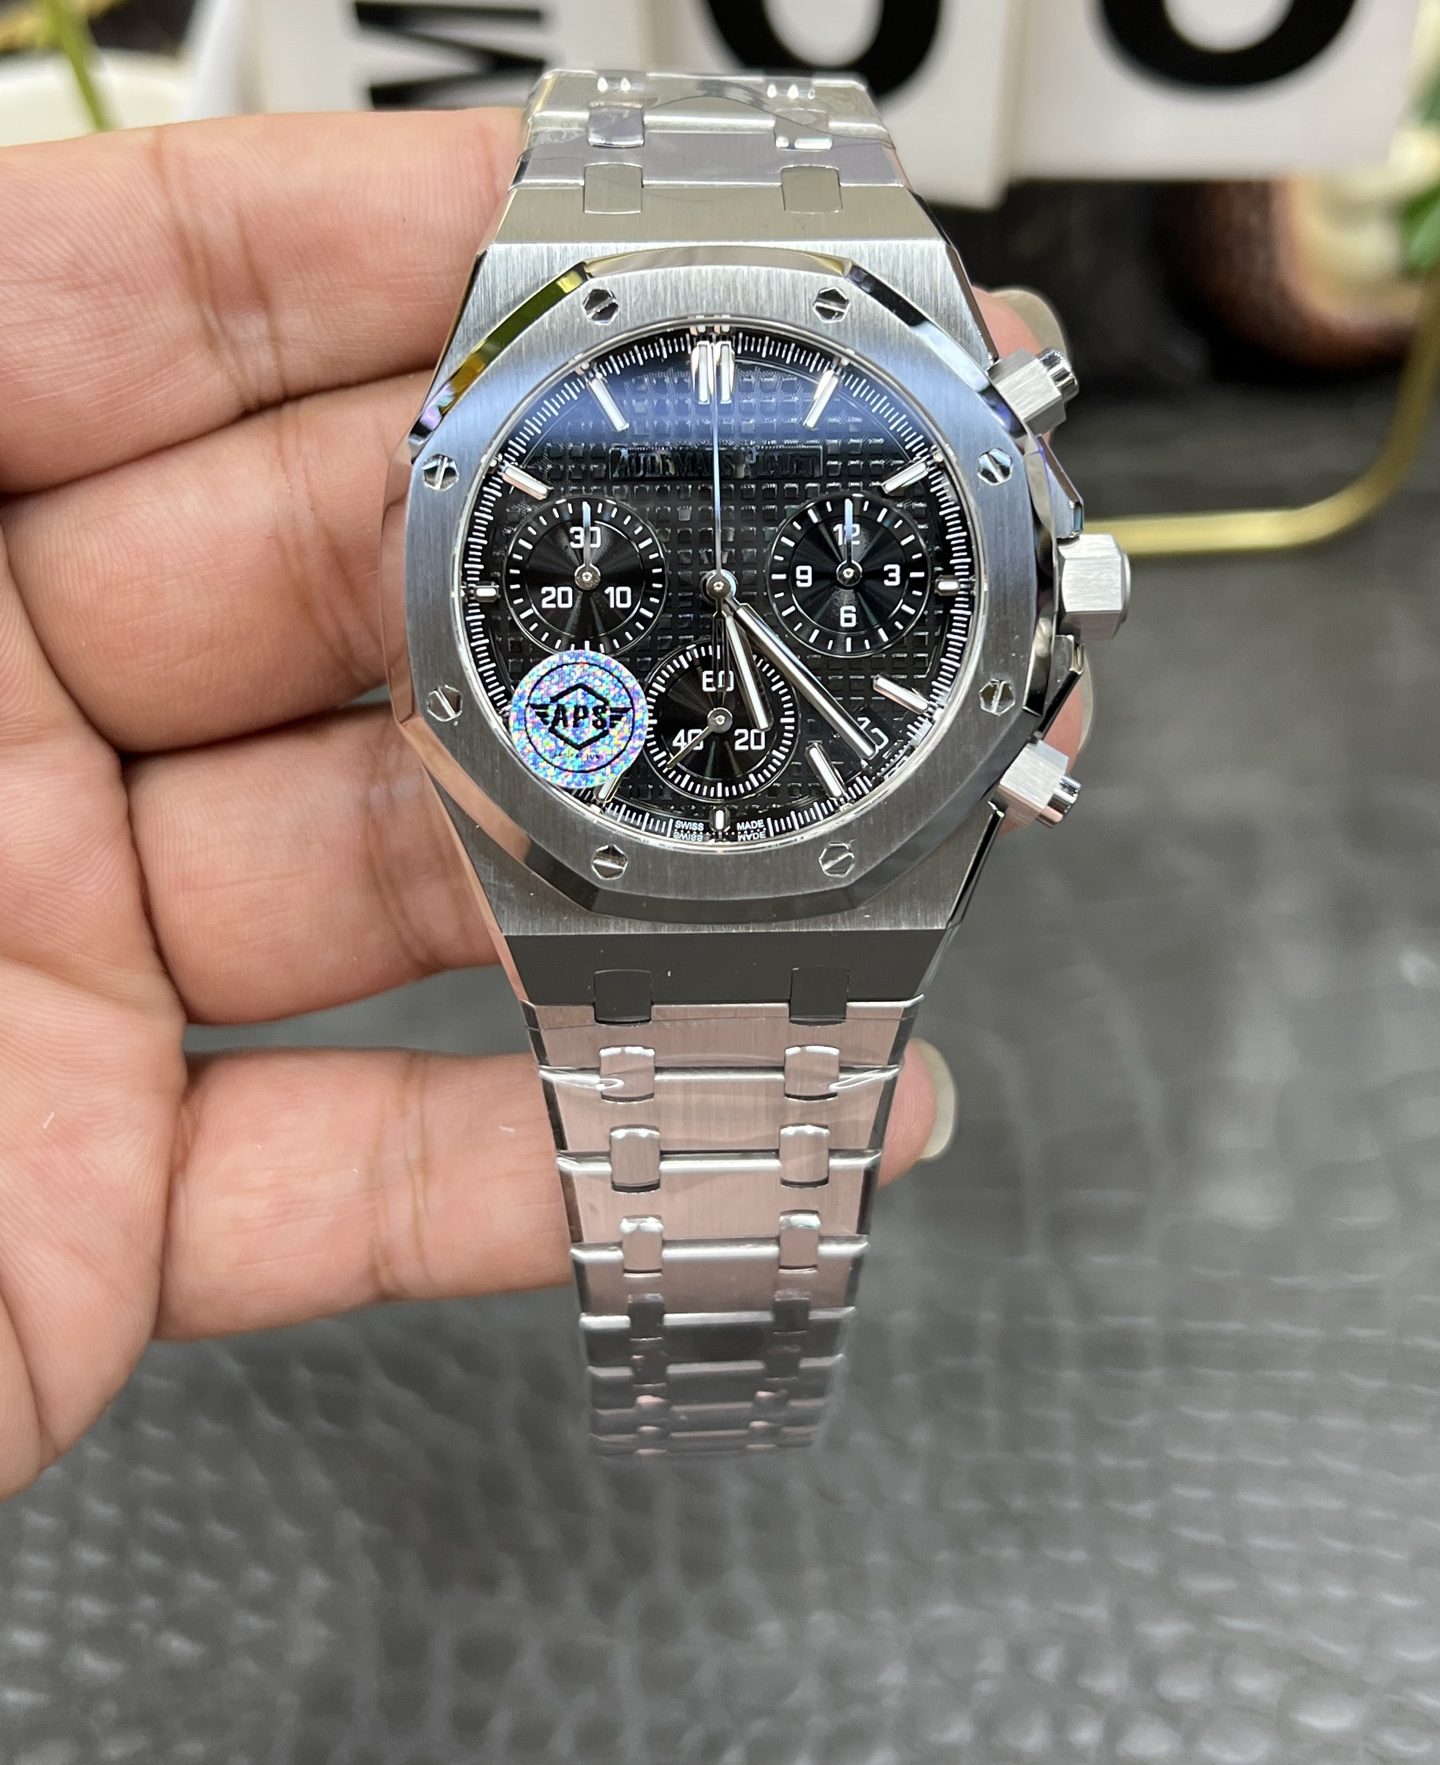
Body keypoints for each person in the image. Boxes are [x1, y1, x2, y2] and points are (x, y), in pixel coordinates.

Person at [0, 108, 1075, 1502]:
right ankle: (723, 1421)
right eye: (698, 581)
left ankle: (727, 1404)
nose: (722, 587)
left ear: (1063, 586)